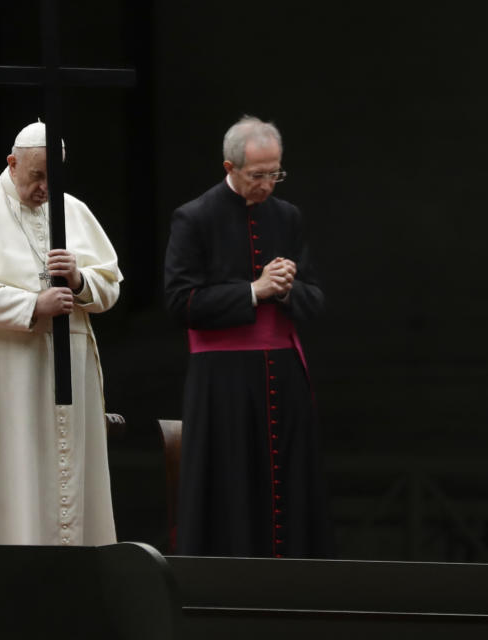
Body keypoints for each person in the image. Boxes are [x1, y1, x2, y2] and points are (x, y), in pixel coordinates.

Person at [0, 121, 122, 546]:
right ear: (12, 163)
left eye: (55, 177)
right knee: (14, 472)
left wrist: (80, 281)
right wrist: (33, 304)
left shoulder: (75, 211)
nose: (46, 188)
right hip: (5, 364)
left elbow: (110, 287)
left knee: (68, 475)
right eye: (37, 175)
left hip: (70, 365)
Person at [164, 116, 333, 558]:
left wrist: (289, 287)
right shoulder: (194, 217)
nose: (267, 185)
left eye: (275, 173)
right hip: (223, 381)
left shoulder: (288, 217)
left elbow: (316, 299)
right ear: (230, 167)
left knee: (290, 485)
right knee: (232, 485)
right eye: (258, 175)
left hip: (284, 376)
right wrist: (253, 291)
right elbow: (179, 302)